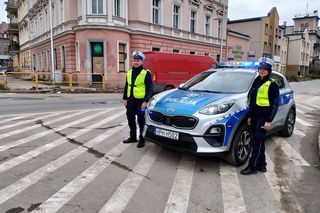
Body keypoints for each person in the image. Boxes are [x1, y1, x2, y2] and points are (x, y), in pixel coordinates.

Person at [240, 57, 279, 175]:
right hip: (255, 116)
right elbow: (252, 101)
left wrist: (268, 120)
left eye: (264, 69)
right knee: (259, 141)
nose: (262, 71)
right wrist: (250, 116)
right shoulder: (257, 81)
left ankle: (252, 167)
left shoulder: (272, 85)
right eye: (260, 68)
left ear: (269, 71)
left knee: (257, 142)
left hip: (263, 118)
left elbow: (274, 104)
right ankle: (262, 165)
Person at [123, 51, 153, 148]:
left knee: (141, 121)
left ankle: (142, 139)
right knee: (130, 119)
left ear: (142, 61)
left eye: (138, 60)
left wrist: (145, 101)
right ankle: (133, 137)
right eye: (134, 60)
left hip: (140, 102)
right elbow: (126, 86)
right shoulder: (129, 72)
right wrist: (125, 98)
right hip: (130, 101)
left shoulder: (146, 73)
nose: (135, 62)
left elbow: (150, 88)